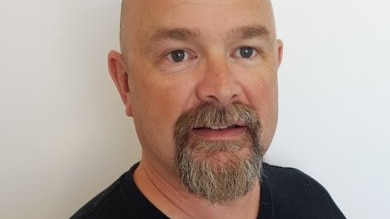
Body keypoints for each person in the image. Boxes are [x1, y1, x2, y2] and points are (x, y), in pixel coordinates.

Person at [72, 0, 345, 218]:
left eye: (246, 51)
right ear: (125, 83)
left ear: (275, 63)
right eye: (178, 55)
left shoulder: (310, 200)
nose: (222, 90)